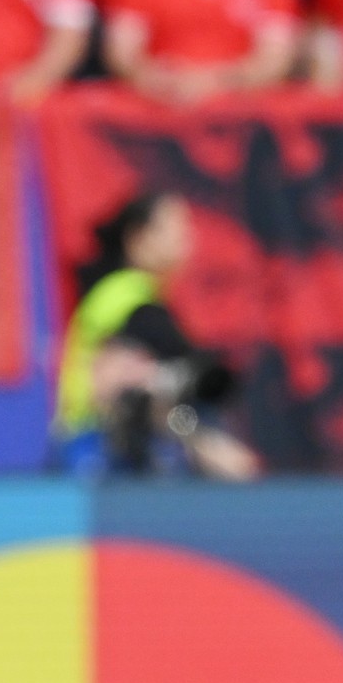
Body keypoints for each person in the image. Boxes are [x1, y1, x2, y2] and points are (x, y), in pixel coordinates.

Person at [52, 192, 257, 480]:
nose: (188, 238)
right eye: (176, 227)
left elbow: (167, 400)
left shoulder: (131, 294)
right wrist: (205, 442)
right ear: (139, 239)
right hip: (95, 453)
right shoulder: (127, 300)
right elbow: (193, 386)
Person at [104, 0, 301, 103]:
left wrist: (216, 83)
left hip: (241, 113)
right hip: (157, 108)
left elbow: (275, 58)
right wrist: (158, 80)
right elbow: (123, 50)